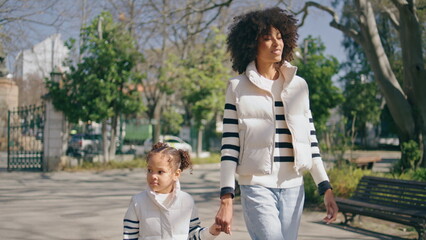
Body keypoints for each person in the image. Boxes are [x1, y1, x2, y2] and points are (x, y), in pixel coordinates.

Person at [215, 7, 339, 240]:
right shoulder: (236, 87)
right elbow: (229, 147)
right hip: (256, 185)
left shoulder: (299, 85)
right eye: (267, 38)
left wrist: (325, 187)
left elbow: (310, 140)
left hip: (293, 185)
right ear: (252, 44)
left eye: (280, 37)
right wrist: (226, 197)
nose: (276, 43)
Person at [123, 142, 221, 240]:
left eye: (160, 172)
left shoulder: (186, 201)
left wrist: (211, 232)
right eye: (149, 170)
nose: (153, 176)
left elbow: (193, 234)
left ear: (176, 174)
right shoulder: (138, 202)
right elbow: (129, 236)